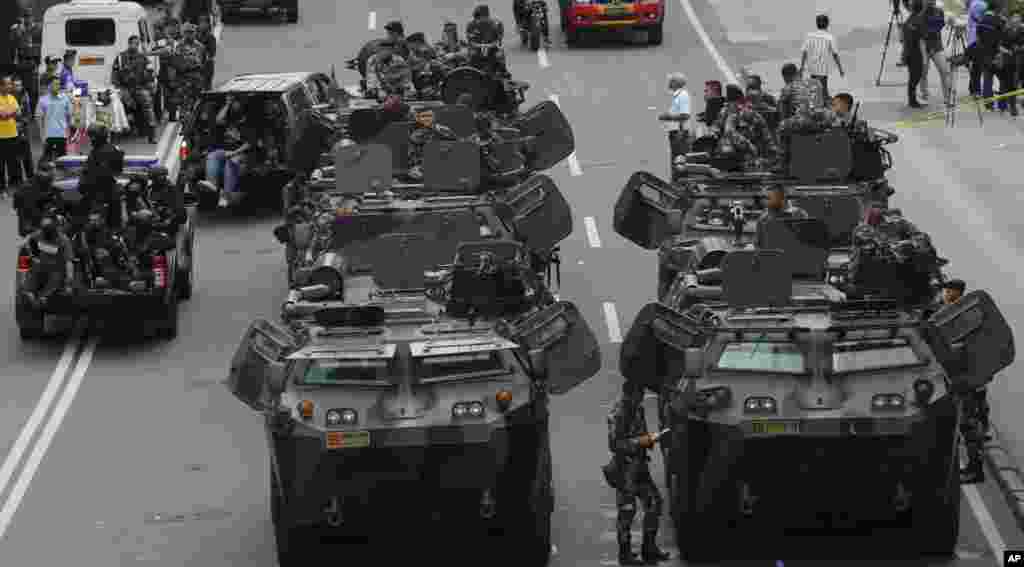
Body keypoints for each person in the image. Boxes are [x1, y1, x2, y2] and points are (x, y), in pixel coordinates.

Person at [932, 279, 991, 483]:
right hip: (959, 378)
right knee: (963, 424)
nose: (946, 294)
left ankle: (975, 469)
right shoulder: (949, 312)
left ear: (957, 293)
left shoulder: (964, 317)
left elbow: (967, 347)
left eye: (949, 291)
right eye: (945, 291)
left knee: (968, 425)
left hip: (965, 379)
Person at [607, 380, 671, 565]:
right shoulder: (619, 412)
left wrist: (651, 439)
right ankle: (625, 555)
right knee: (627, 512)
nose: (641, 398)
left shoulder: (637, 408)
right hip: (625, 469)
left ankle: (649, 549)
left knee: (654, 504)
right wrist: (646, 440)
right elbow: (615, 444)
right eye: (638, 394)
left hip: (640, 467)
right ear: (630, 394)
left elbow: (640, 434)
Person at [198, 95, 247, 207]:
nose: (233, 104)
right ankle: (212, 184)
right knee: (212, 155)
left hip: (241, 153)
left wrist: (234, 153)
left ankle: (224, 195)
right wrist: (227, 104)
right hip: (225, 151)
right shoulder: (227, 119)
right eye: (232, 102)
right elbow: (219, 119)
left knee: (230, 163)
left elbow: (249, 144)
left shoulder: (247, 123)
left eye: (235, 102)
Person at [716, 84, 778, 170]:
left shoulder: (753, 116)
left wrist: (771, 158)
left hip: (747, 162)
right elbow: (723, 132)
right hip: (730, 160)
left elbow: (768, 141)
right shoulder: (725, 113)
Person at [22, 212, 76, 307]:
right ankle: (31, 295)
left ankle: (44, 298)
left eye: (48, 226)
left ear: (55, 226)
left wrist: (69, 282)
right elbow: (27, 242)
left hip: (55, 270)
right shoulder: (39, 234)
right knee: (33, 275)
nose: (45, 230)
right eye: (43, 227)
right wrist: (32, 255)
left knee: (54, 278)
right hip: (40, 267)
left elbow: (69, 262)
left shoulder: (63, 240)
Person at [112, 35, 158, 143]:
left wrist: (149, 81)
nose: (135, 46)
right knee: (115, 102)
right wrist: (121, 89)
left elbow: (151, 74)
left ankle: (152, 134)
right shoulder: (120, 57)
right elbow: (114, 77)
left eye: (137, 44)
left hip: (139, 87)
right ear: (129, 44)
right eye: (133, 43)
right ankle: (115, 133)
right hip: (124, 88)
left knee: (147, 104)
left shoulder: (143, 57)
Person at [79, 124, 125, 229]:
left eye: (92, 137)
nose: (90, 140)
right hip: (102, 190)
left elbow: (100, 173)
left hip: (100, 191)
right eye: (89, 136)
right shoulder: (108, 149)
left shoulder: (102, 152)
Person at [800, 14, 845, 103]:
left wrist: (802, 67)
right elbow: (835, 54)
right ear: (827, 24)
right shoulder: (830, 37)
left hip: (812, 68)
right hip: (823, 68)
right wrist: (840, 69)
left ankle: (816, 105)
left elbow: (804, 52)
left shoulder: (810, 36)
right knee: (823, 89)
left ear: (816, 24)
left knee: (814, 89)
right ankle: (823, 106)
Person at [172, 23, 208, 121]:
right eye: (187, 33)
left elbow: (204, 63)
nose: (189, 35)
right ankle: (184, 121)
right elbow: (176, 63)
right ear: (184, 34)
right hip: (183, 79)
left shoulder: (201, 47)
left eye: (191, 33)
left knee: (198, 103)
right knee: (184, 105)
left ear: (195, 33)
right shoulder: (179, 46)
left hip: (197, 78)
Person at [974, 0, 1006, 111]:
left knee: (987, 80)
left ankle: (988, 104)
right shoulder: (1000, 21)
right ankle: (1002, 105)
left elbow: (978, 39)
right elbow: (1003, 39)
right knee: (1003, 79)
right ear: (997, 9)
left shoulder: (981, 20)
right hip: (997, 55)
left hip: (984, 54)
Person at [919, 0, 952, 105]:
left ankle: (948, 97)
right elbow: (920, 32)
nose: (931, 2)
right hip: (924, 45)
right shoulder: (920, 13)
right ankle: (924, 95)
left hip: (937, 46)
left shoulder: (939, 11)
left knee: (945, 70)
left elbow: (941, 24)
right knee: (923, 72)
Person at [13, 161, 59, 236]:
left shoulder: (45, 183)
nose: (54, 174)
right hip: (31, 221)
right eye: (51, 171)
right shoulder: (29, 188)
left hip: (37, 213)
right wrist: (42, 219)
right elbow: (29, 207)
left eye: (54, 170)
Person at [659, 73, 691, 174]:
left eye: (671, 81)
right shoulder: (678, 96)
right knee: (676, 159)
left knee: (679, 160)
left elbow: (685, 115)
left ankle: (679, 182)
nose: (669, 83)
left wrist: (668, 117)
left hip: (679, 133)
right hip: (677, 132)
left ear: (676, 83)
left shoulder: (683, 96)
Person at [35, 79, 72, 162]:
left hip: (61, 134)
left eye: (59, 84)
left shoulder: (65, 98)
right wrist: (42, 134)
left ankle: (62, 174)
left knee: (62, 160)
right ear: (49, 86)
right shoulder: (42, 100)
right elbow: (38, 118)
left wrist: (68, 131)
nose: (58, 86)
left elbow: (69, 116)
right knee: (47, 160)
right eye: (55, 84)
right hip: (48, 135)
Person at [0, 76, 23, 197]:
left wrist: (10, 113)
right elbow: (3, 116)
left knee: (12, 163)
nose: (10, 86)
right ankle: (2, 188)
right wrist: (12, 112)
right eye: (7, 84)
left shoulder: (12, 97)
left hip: (13, 134)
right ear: (1, 86)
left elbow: (18, 114)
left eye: (10, 84)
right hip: (1, 137)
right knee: (1, 164)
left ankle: (13, 186)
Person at [903, 1, 928, 109]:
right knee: (916, 77)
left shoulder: (908, 20)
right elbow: (923, 37)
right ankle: (912, 101)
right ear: (921, 9)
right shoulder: (919, 21)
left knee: (912, 77)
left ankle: (911, 99)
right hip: (915, 53)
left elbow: (904, 36)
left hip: (908, 52)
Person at [13, 77, 34, 181]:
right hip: (12, 131)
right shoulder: (10, 98)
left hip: (24, 130)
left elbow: (29, 114)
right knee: (15, 157)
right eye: (16, 85)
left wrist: (22, 122)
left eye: (20, 85)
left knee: (27, 156)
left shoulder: (25, 96)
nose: (18, 87)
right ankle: (18, 180)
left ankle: (30, 178)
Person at [197, 15, 218, 90]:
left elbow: (212, 53)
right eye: (201, 23)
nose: (202, 25)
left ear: (208, 25)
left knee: (207, 87)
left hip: (207, 66)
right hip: (196, 66)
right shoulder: (195, 36)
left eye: (205, 23)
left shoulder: (211, 37)